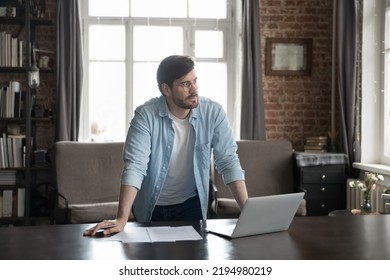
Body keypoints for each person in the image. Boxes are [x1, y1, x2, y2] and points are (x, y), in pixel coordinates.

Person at [84, 55, 248, 236]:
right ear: (166, 89)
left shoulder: (213, 112)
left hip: (191, 205)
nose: (194, 90)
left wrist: (248, 213)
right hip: (151, 206)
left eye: (195, 81)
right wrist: (121, 219)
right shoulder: (145, 116)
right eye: (185, 84)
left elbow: (228, 161)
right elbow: (135, 166)